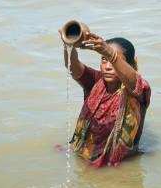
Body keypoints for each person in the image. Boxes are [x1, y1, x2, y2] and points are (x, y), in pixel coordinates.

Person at [62, 29, 151, 167]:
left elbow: (135, 83)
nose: (108, 66)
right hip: (85, 157)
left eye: (115, 61)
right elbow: (74, 67)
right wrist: (69, 45)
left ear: (130, 66)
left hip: (120, 167)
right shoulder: (96, 82)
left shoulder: (137, 92)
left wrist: (108, 52)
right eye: (104, 59)